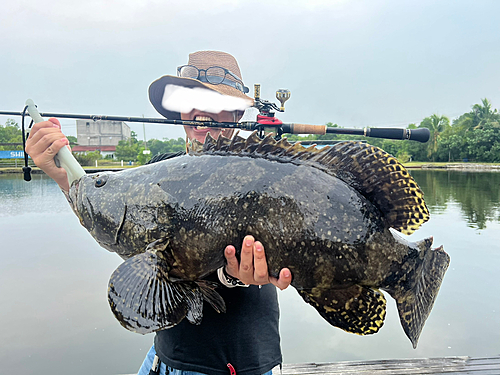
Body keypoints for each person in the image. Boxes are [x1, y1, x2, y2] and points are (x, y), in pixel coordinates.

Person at [25, 50, 292, 375]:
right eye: (189, 100)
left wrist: (238, 276)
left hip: (245, 361)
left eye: (213, 102)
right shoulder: (158, 170)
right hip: (165, 357)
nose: (198, 112)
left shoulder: (262, 171)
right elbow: (124, 235)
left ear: (237, 113)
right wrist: (60, 174)